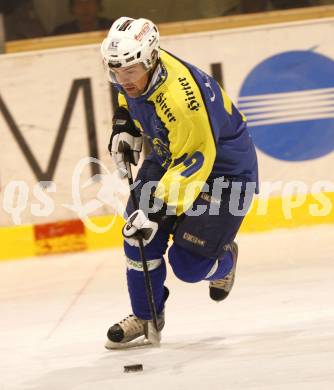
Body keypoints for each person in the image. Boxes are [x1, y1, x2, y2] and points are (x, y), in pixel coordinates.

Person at [100, 17, 259, 348]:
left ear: (150, 59)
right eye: (116, 71)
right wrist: (123, 124)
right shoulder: (140, 70)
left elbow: (196, 162)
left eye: (129, 71)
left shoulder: (182, 100)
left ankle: (225, 260)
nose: (122, 80)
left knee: (188, 266)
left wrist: (155, 208)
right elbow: (130, 97)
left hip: (225, 175)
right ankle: (146, 316)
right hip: (171, 155)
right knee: (139, 240)